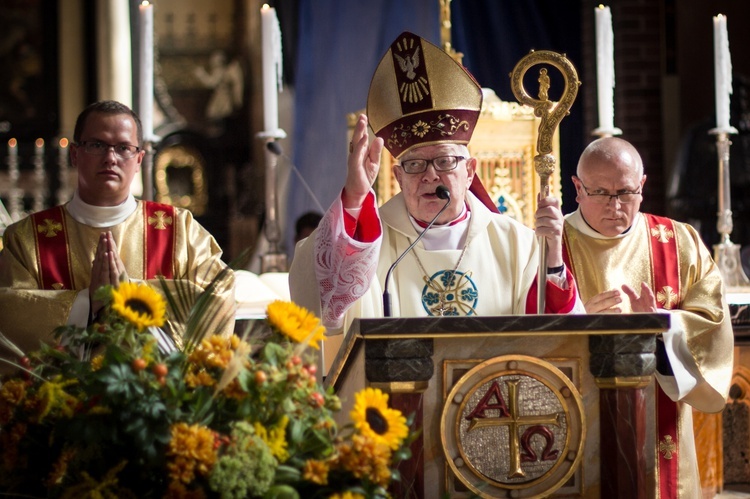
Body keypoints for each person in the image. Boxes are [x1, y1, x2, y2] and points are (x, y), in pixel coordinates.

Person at [289, 32, 582, 364]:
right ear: (398, 177)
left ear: (470, 171)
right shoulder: (366, 246)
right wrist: (355, 198)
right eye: (414, 165)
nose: (430, 176)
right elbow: (318, 293)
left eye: (445, 162)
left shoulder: (516, 244)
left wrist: (553, 255)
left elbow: (558, 340)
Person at [0, 100, 235, 367]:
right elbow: (8, 312)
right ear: (75, 154)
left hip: (161, 397)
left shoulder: (181, 230)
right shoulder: (27, 238)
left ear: (139, 159)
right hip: (62, 401)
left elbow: (219, 297)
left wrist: (131, 293)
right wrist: (86, 301)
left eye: (123, 148)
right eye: (97, 145)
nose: (110, 157)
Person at [562, 136, 734, 497]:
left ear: (642, 185)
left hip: (661, 420)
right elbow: (521, 326)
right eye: (600, 193)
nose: (615, 206)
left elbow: (712, 321)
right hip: (577, 417)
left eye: (626, 192)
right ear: (577, 188)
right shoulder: (549, 246)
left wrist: (659, 324)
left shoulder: (678, 241)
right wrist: (576, 317)